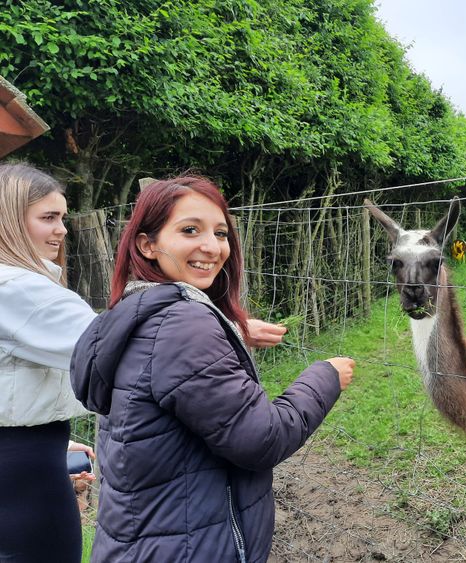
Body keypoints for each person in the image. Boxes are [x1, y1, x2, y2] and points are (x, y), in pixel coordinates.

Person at [70, 175, 355, 562]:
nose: (212, 247)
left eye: (221, 233)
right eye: (190, 230)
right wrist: (324, 377)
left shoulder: (132, 314)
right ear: (147, 244)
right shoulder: (185, 324)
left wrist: (231, 331)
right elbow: (261, 439)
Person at [0, 162, 97, 563]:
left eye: (63, 217)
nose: (62, 229)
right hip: (24, 474)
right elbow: (108, 346)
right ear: (8, 221)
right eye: (48, 218)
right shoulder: (19, 287)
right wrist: (210, 325)